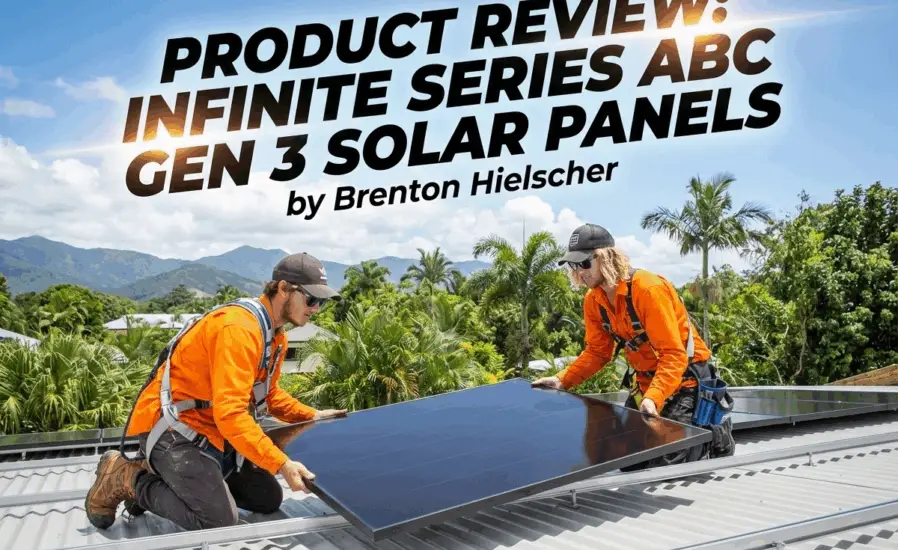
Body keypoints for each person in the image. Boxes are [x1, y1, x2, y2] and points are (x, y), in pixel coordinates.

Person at [84, 252, 348, 531]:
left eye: (320, 301)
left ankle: (170, 480)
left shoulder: (275, 334)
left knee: (267, 498)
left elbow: (267, 395)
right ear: (283, 288)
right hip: (174, 431)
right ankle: (126, 476)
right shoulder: (239, 329)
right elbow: (231, 414)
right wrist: (281, 463)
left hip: (213, 434)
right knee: (217, 520)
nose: (316, 308)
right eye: (311, 299)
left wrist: (314, 415)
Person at [533, 223, 734, 468]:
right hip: (646, 382)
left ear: (606, 257)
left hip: (685, 381)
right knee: (629, 462)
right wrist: (562, 380)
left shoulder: (647, 289)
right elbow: (598, 352)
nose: (581, 272)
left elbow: (673, 354)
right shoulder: (593, 300)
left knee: (668, 464)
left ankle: (716, 435)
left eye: (585, 263)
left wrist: (654, 398)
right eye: (574, 265)